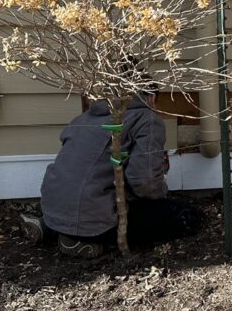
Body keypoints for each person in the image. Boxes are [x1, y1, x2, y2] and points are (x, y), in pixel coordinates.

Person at [19, 93, 202, 258]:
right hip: (93, 218)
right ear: (151, 97)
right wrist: (161, 194)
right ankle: (89, 241)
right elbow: (144, 183)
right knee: (186, 215)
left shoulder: (84, 117)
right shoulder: (146, 119)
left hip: (53, 206)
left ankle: (48, 227)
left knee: (88, 202)